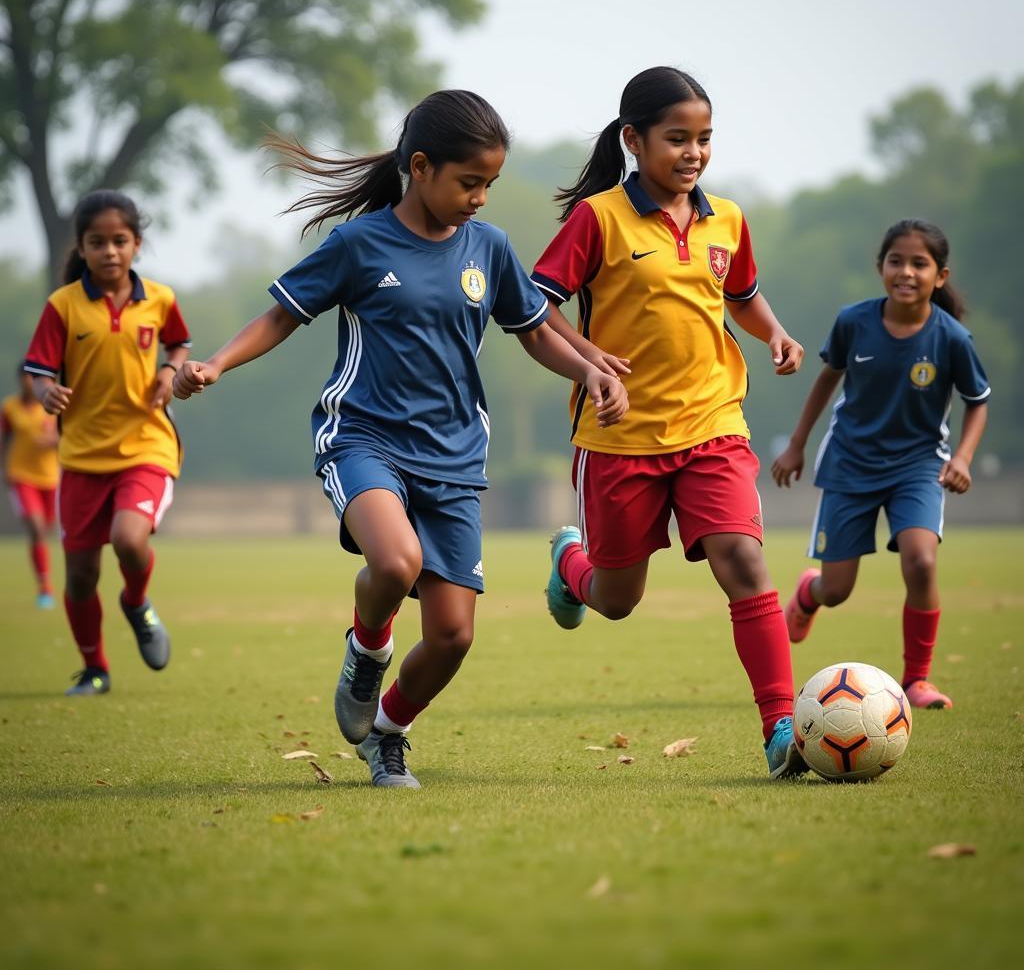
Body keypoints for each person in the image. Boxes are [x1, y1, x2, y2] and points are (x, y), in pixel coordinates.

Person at [172, 89, 628, 790]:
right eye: (469, 182)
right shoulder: (359, 244)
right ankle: (367, 647)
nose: (481, 198)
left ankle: (387, 734)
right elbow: (282, 316)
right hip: (361, 438)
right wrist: (216, 364)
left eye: (490, 184)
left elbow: (535, 329)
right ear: (420, 167)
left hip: (453, 456)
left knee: (453, 636)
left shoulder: (491, 248)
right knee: (394, 562)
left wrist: (589, 369)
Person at [533, 66, 808, 778]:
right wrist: (590, 361)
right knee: (618, 599)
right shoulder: (598, 219)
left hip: (714, 421)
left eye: (705, 139)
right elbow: (535, 308)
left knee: (743, 561)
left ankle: (782, 730)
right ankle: (572, 560)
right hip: (620, 438)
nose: (693, 153)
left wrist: (772, 332)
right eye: (677, 138)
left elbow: (741, 293)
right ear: (633, 139)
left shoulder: (729, 219)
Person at [770, 219, 989, 710]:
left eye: (920, 263)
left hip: (917, 467)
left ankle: (917, 679)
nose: (906, 271)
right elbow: (828, 378)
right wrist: (797, 443)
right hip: (851, 464)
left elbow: (978, 400)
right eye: (896, 261)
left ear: (940, 275)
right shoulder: (855, 322)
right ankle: (810, 593)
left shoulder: (953, 338)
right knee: (838, 588)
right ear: (880, 267)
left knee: (921, 560)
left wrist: (965, 458)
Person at [24, 190, 191, 696]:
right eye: (98, 242)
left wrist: (169, 369)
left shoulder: (159, 299)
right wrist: (46, 392)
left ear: (137, 244)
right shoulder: (63, 305)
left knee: (129, 539)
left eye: (120, 241)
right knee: (79, 576)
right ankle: (95, 668)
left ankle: (136, 602)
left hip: (145, 445)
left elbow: (179, 343)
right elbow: (37, 371)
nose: (110, 251)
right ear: (82, 246)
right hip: (79, 459)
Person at [1, 369, 59, 607]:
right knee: (36, 528)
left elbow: (69, 436)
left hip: (51, 477)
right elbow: (3, 440)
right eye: (26, 377)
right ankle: (44, 587)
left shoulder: (54, 405)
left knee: (47, 529)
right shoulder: (10, 407)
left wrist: (53, 441)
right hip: (22, 477)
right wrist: (4, 469)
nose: (30, 382)